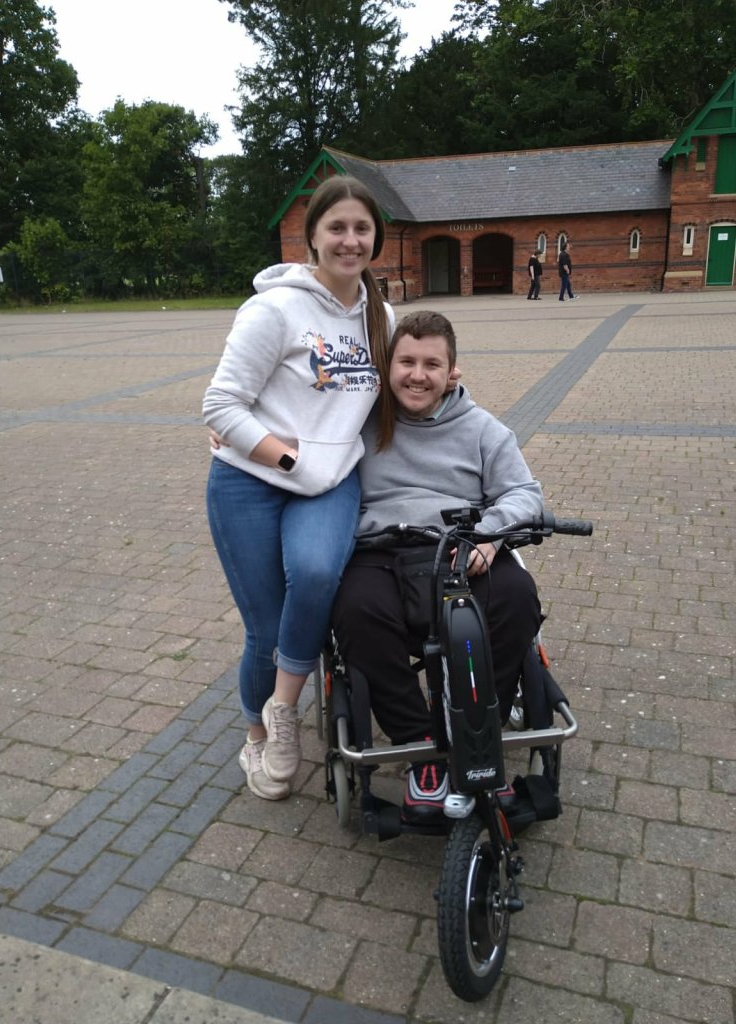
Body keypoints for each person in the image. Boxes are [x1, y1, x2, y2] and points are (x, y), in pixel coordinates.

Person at [203, 175, 398, 802]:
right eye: (336, 227)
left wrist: (447, 386)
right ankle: (256, 734)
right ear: (312, 235)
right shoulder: (274, 309)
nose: (350, 240)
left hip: (329, 483)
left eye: (362, 228)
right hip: (250, 482)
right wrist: (289, 456)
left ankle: (283, 710)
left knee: (315, 574)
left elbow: (389, 397)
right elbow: (220, 405)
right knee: (265, 628)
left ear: (376, 238)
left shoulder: (381, 315)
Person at [331, 310, 544, 825]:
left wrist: (490, 534)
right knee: (354, 611)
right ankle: (419, 745)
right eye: (406, 361)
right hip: (382, 549)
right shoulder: (361, 422)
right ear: (388, 367)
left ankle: (481, 731)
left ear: (452, 372)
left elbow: (524, 493)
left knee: (516, 597)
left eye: (432, 364)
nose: (417, 375)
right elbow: (302, 434)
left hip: (461, 544)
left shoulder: (483, 429)